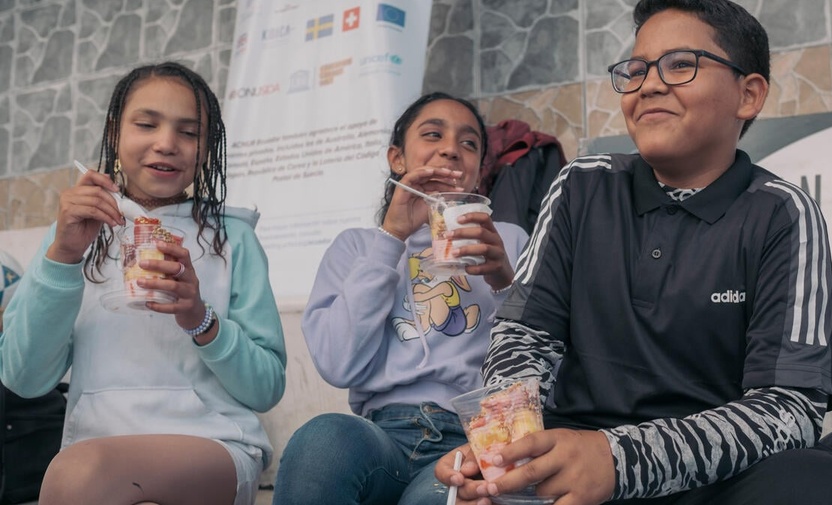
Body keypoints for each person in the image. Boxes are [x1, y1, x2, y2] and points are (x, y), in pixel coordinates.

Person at [435, 1, 832, 504]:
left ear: (748, 94)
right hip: (573, 462)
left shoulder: (781, 214)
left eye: (680, 64)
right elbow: (523, 338)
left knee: (822, 487)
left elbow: (789, 411)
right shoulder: (581, 187)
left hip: (712, 476)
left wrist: (620, 460)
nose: (648, 84)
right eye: (636, 69)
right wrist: (507, 454)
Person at [0, 61, 286, 505]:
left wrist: (200, 318)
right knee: (88, 473)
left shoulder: (233, 238)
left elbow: (266, 388)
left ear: (207, 148)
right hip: (98, 462)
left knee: (80, 472)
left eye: (189, 133)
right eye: (147, 124)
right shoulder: (74, 234)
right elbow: (23, 378)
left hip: (213, 448)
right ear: (115, 132)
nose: (167, 143)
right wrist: (64, 256)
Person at [272, 92, 530, 505]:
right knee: (321, 441)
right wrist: (390, 238)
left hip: (476, 435)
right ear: (397, 159)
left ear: (478, 174)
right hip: (381, 434)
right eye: (433, 135)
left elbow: (542, 371)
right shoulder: (356, 248)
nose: (450, 149)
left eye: (468, 144)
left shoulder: (510, 241)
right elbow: (339, 365)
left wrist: (503, 280)